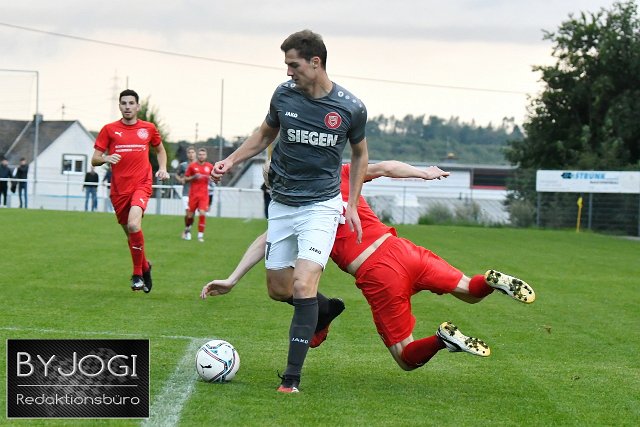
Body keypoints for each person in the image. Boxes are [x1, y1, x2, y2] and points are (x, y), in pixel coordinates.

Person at [202, 160, 536, 383]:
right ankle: (490, 280)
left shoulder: (299, 206)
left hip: (379, 273)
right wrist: (423, 172)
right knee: (470, 291)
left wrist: (232, 278)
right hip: (403, 249)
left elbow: (266, 240)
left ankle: (441, 339)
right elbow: (387, 167)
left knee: (406, 357)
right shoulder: (339, 173)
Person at [211, 29, 369, 393]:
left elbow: (361, 154)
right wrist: (231, 160)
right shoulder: (283, 95)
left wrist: (352, 204)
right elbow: (264, 135)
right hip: (282, 203)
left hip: (321, 206)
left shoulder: (350, 107)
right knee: (279, 289)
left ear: (315, 62)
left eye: (293, 64)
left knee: (302, 283)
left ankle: (291, 378)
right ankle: (324, 310)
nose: (288, 72)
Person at [91, 89, 170, 293]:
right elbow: (94, 159)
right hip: (119, 189)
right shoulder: (109, 129)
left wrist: (162, 168)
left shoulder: (148, 128)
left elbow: (160, 150)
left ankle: (137, 275)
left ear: (137, 106)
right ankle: (145, 267)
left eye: (131, 103)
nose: (127, 107)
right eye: (124, 103)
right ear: (119, 106)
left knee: (134, 224)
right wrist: (106, 158)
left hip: (142, 184)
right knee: (131, 234)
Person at [183, 148, 213, 242]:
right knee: (190, 215)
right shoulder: (192, 166)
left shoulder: (209, 166)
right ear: (197, 155)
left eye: (203, 154)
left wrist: (212, 178)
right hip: (193, 194)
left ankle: (200, 235)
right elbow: (185, 179)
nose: (201, 156)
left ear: (206, 156)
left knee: (202, 213)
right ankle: (187, 230)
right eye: (200, 154)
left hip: (204, 195)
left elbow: (215, 178)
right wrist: (193, 177)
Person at [176, 146, 196, 239]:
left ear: (195, 154)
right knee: (188, 212)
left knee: (192, 213)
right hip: (186, 192)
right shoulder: (183, 165)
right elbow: (177, 175)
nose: (191, 154)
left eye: (192, 152)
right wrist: (180, 180)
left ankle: (187, 230)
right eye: (189, 153)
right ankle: (187, 231)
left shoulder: (199, 165)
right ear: (187, 154)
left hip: (196, 193)